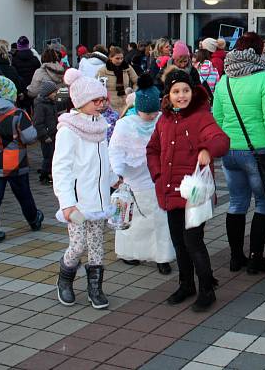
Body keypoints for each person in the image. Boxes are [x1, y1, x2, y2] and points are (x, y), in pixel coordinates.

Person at [148, 69, 229, 310]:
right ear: (168, 95)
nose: (181, 96)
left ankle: (206, 288)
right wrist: (158, 175)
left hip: (193, 194)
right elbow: (152, 149)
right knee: (178, 242)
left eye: (185, 90)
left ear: (193, 92)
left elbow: (221, 139)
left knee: (193, 241)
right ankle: (186, 285)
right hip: (170, 191)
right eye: (176, 91)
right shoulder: (163, 120)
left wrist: (208, 150)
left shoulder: (201, 117)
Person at [212, 32, 265, 275]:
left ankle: (236, 257)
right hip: (259, 151)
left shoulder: (225, 80)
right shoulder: (264, 78)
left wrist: (228, 142)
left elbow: (217, 119)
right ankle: (256, 258)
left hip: (230, 152)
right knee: (264, 204)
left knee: (236, 203)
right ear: (256, 52)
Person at [53, 68, 118, 310]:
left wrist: (114, 179)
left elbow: (104, 161)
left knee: (97, 246)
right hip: (78, 203)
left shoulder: (100, 126)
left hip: (100, 201)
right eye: (96, 100)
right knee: (78, 245)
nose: (101, 105)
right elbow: (61, 169)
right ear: (81, 101)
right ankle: (65, 277)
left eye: (103, 99)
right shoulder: (69, 130)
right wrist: (67, 203)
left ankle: (95, 288)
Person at [110, 76, 176, 274]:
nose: (150, 115)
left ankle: (162, 256)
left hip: (157, 178)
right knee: (132, 217)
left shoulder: (162, 121)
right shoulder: (125, 124)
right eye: (146, 112)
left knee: (160, 219)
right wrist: (117, 173)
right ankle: (129, 252)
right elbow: (115, 150)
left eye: (153, 111)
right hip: (133, 180)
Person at [0, 76, 43, 245]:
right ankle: (33, 219)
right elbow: (30, 137)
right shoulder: (18, 114)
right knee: (23, 194)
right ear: (10, 93)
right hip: (15, 162)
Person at [33, 81, 60, 185]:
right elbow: (38, 123)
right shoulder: (41, 106)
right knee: (48, 156)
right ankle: (44, 175)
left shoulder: (51, 103)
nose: (55, 94)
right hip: (47, 136)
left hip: (53, 134)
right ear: (48, 93)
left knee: (53, 155)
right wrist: (44, 135)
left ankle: (50, 174)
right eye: (53, 92)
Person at [97, 46, 139, 110]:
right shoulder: (103, 70)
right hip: (110, 105)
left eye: (122, 58)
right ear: (111, 58)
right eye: (117, 58)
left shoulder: (127, 68)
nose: (120, 60)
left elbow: (137, 82)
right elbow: (97, 86)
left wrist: (132, 92)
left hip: (126, 102)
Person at [12, 36, 41, 102]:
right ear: (28, 45)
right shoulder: (35, 59)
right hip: (32, 89)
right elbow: (38, 74)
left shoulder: (14, 60)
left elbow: (14, 76)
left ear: (18, 46)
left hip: (20, 90)